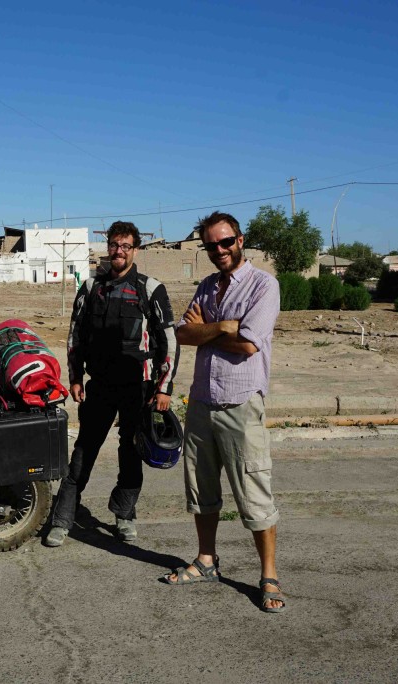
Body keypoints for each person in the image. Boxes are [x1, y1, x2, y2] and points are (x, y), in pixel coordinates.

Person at [160, 211, 286, 613]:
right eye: (211, 245)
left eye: (226, 242)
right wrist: (223, 327)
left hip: (240, 402)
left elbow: (249, 344)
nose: (219, 250)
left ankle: (269, 576)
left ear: (240, 240)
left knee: (254, 493)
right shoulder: (207, 286)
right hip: (201, 401)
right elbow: (182, 333)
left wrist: (209, 331)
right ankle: (206, 560)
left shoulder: (264, 286)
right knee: (202, 489)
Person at [45, 221, 178, 547]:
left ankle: (124, 515)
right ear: (108, 246)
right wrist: (75, 377)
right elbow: (75, 336)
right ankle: (62, 520)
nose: (119, 251)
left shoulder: (150, 289)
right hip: (100, 386)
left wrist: (164, 388)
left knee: (131, 453)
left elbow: (169, 343)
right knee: (83, 454)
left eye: (126, 246)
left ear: (135, 250)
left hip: (140, 388)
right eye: (114, 245)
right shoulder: (91, 287)